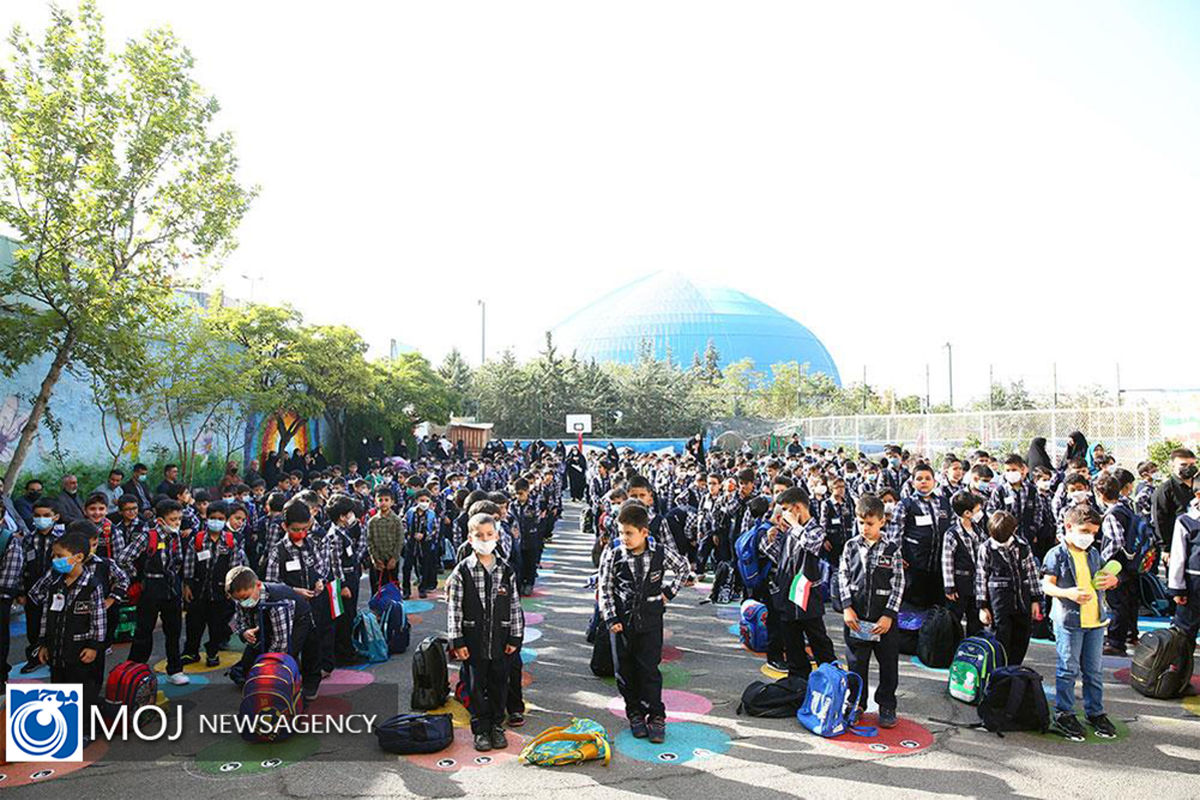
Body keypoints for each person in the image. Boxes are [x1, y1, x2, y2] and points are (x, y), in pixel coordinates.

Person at [599, 501, 689, 744]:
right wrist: (611, 617)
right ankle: (635, 713)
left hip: (650, 622)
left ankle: (656, 715)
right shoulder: (614, 553)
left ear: (644, 532)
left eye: (629, 533)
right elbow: (604, 587)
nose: (623, 538)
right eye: (620, 532)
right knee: (625, 671)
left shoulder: (659, 551)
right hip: (622, 624)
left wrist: (668, 593)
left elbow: (683, 567)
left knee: (649, 668)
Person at [447, 513, 524, 752]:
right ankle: (481, 729)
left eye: (489, 534)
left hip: (501, 641)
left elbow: (514, 605)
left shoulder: (505, 570)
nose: (485, 539)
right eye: (479, 535)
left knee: (501, 684)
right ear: (470, 539)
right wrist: (456, 640)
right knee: (476, 686)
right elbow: (454, 608)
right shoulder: (462, 571)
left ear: (497, 536)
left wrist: (515, 637)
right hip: (472, 641)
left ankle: (497, 726)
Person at [1042, 505, 1119, 741]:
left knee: (1093, 671)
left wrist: (1113, 581)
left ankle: (1095, 712)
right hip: (1069, 621)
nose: (1089, 537)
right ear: (1069, 527)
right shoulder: (1057, 554)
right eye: (1085, 530)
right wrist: (1068, 593)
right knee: (1068, 669)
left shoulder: (1094, 554)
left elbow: (1103, 579)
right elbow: (1046, 585)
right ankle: (1064, 712)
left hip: (1095, 620)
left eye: (1094, 533)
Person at [28, 529, 106, 735]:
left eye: (60, 556)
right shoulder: (55, 583)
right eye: (54, 556)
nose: (55, 560)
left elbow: (98, 619)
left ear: (79, 557)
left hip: (80, 650)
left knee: (82, 693)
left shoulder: (92, 585)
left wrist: (94, 646)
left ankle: (85, 731)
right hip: (57, 649)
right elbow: (47, 614)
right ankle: (64, 731)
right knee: (59, 690)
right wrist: (43, 643)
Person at [838, 493, 905, 728]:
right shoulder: (850, 546)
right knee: (857, 663)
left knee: (888, 664)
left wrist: (889, 615)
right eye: (860, 522)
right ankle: (856, 703)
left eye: (869, 523)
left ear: (881, 522)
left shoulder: (892, 549)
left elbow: (898, 583)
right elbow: (843, 577)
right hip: (857, 619)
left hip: (883, 620)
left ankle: (886, 704)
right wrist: (847, 608)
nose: (864, 528)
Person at [264, 500, 342, 693]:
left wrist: (319, 581)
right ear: (284, 526)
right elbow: (270, 585)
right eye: (296, 529)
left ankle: (311, 686)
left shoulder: (311, 544)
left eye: (305, 529)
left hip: (315, 604)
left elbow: (320, 567)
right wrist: (294, 591)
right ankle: (286, 683)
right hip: (291, 611)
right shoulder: (277, 551)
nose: (301, 534)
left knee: (314, 647)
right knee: (292, 648)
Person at [762, 487, 836, 680]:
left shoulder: (815, 530)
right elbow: (782, 559)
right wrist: (772, 539)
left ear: (797, 508)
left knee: (820, 645)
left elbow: (811, 544)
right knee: (793, 648)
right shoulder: (790, 532)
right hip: (787, 598)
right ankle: (798, 686)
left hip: (808, 601)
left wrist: (795, 526)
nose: (783, 514)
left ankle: (831, 683)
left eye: (786, 509)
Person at [226, 566, 323, 700]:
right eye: (239, 600)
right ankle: (257, 686)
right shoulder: (241, 597)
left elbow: (281, 644)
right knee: (250, 657)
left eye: (245, 598)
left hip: (298, 620)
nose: (243, 603)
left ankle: (305, 684)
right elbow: (237, 621)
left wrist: (268, 667)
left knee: (292, 653)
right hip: (265, 621)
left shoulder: (278, 602)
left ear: (258, 585)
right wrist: (244, 632)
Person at [120, 498, 189, 685]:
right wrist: (137, 575)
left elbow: (179, 561)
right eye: (173, 519)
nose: (177, 523)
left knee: (174, 631)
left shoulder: (175, 537)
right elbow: (123, 558)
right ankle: (135, 670)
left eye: (179, 519)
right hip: (150, 587)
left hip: (171, 587)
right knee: (144, 631)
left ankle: (175, 669)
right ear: (160, 520)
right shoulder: (146, 536)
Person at [182, 501, 246, 667]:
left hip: (220, 592)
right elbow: (189, 563)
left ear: (225, 520)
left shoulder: (231, 541)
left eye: (220, 518)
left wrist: (231, 587)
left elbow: (235, 566)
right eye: (212, 518)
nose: (216, 521)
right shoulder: (197, 539)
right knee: (194, 623)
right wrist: (187, 585)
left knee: (217, 625)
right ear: (207, 519)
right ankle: (191, 652)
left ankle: (212, 652)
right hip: (198, 590)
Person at [976, 511, 1043, 666]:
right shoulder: (986, 548)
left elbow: (1032, 573)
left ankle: (1014, 669)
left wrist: (1035, 599)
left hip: (1022, 601)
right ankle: (999, 672)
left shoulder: (1022, 546)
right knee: (1001, 637)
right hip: (999, 604)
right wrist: (982, 606)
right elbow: (981, 577)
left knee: (1022, 636)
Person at [1096, 471, 1141, 655]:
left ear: (1100, 494)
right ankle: (1131, 633)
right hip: (1131, 563)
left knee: (1116, 603)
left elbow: (1115, 541)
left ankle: (1116, 641)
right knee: (1129, 600)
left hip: (1117, 564)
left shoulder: (1111, 514)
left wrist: (1102, 560)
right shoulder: (1126, 508)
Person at [19, 496, 62, 674]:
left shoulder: (62, 539)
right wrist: (21, 591)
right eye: (37, 515)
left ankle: (55, 657)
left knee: (55, 625)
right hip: (32, 591)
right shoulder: (28, 539)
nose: (41, 519)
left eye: (46, 515)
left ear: (55, 517)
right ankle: (35, 657)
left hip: (56, 590)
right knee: (33, 626)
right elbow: (20, 566)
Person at [942, 490, 987, 636]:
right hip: (960, 583)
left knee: (975, 619)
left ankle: (972, 648)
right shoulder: (952, 534)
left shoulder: (979, 531)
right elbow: (947, 561)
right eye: (978, 510)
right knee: (954, 618)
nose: (980, 513)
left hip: (976, 583)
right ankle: (952, 647)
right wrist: (949, 586)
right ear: (967, 513)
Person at [1167, 481, 1200, 641]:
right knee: (1185, 630)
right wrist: (1177, 589)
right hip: (1194, 582)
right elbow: (1178, 556)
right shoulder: (1187, 521)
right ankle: (1181, 664)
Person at [1153, 448, 1196, 565]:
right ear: (1173, 466)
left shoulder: (1197, 484)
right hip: (1178, 546)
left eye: (1192, 464)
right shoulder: (1165, 489)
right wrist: (1166, 549)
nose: (1188, 468)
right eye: (1183, 465)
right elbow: (1160, 520)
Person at [367, 486, 404, 594]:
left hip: (392, 560)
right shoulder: (372, 521)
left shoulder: (396, 520)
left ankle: (393, 607)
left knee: (392, 585)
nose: (383, 503)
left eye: (386, 500)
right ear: (376, 502)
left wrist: (394, 558)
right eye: (380, 500)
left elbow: (400, 540)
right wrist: (375, 559)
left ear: (392, 502)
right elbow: (370, 541)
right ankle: (379, 608)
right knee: (377, 586)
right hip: (378, 561)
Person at [404, 490, 440, 599]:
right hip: (411, 543)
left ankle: (422, 588)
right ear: (416, 501)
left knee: (425, 566)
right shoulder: (410, 512)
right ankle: (406, 590)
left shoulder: (432, 514)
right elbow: (404, 524)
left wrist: (425, 536)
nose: (424, 503)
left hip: (426, 544)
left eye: (427, 501)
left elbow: (435, 529)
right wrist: (409, 535)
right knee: (407, 567)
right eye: (422, 500)